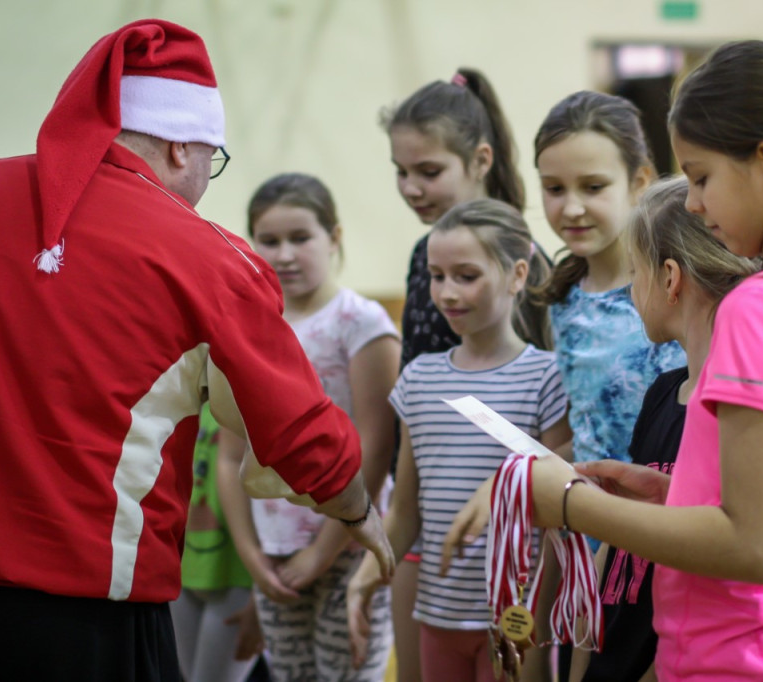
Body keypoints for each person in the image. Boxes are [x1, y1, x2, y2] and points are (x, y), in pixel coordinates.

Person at [0, 19, 393, 681]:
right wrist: (356, 508)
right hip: (91, 620)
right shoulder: (208, 259)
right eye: (211, 162)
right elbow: (294, 426)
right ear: (179, 147)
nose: (205, 181)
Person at [475, 40, 763, 681]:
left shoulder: (761, 306)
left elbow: (754, 548)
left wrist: (568, 505)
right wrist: (676, 497)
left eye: (701, 177)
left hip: (746, 664)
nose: (695, 204)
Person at [348, 198, 571, 682]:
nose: (446, 293)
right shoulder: (419, 379)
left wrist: (538, 611)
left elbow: (562, 509)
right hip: (438, 615)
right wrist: (366, 577)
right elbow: (406, 509)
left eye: (466, 276)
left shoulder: (546, 376)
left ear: (517, 275)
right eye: (436, 275)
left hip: (514, 621)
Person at [571, 176, 757, 682]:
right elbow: (616, 549)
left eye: (636, 272)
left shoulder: (737, 411)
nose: (632, 288)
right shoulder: (662, 392)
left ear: (670, 279)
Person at [219, 172, 399, 681]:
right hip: (273, 552)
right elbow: (232, 454)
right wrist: (252, 555)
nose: (285, 254)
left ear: (334, 237)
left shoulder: (360, 324)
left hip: (347, 544)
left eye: (301, 238)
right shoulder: (248, 326)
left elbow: (375, 448)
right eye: (269, 240)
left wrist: (320, 554)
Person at [532, 90, 686, 679]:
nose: (571, 207)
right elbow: (588, 430)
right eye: (554, 188)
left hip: (665, 539)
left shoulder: (675, 294)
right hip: (589, 541)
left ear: (639, 181)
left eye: (593, 187)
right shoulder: (562, 301)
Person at [382, 66, 529, 682]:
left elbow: (539, 410)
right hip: (424, 503)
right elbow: (415, 393)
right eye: (401, 172)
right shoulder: (425, 254)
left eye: (428, 172)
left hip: (498, 526)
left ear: (479, 159)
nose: (412, 188)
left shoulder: (521, 257)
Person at [171, 404, 263, 682]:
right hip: (182, 570)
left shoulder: (255, 398)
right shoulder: (190, 392)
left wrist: (263, 596)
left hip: (241, 577)